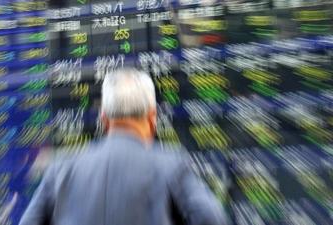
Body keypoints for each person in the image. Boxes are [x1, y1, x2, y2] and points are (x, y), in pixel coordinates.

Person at [19, 68, 230, 225]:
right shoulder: (171, 166)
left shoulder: (61, 170)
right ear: (152, 117)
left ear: (104, 119)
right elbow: (212, 219)